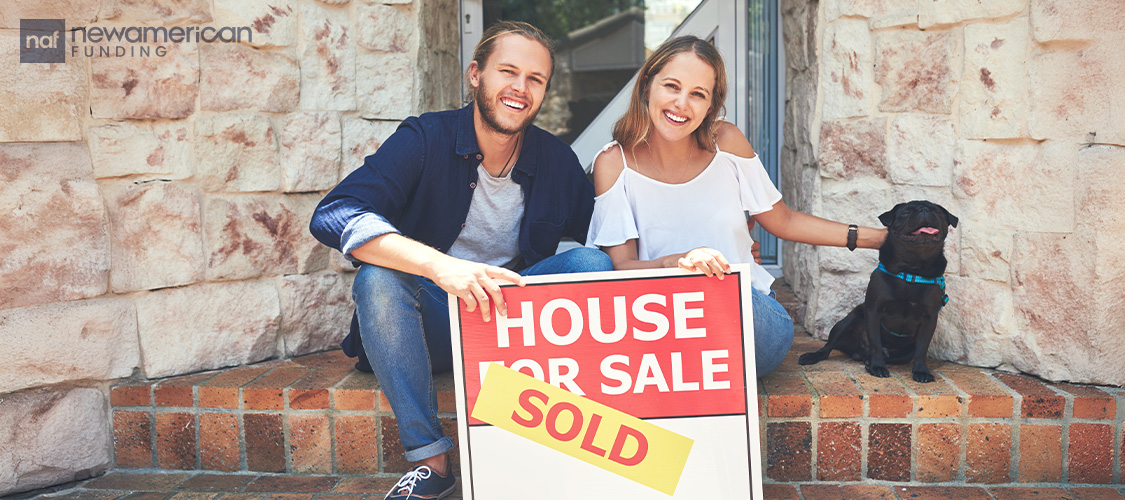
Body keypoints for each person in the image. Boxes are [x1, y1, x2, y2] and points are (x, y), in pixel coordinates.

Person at [309, 21, 612, 500]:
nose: (520, 87)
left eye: (535, 78)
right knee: (378, 280)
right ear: (476, 74)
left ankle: (557, 444)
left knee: (592, 265)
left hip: (508, 327)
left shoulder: (555, 160)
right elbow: (335, 212)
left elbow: (607, 238)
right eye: (507, 71)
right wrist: (441, 267)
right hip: (430, 325)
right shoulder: (425, 138)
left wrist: (706, 245)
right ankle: (431, 467)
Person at [587, 35, 887, 378]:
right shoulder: (614, 162)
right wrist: (676, 263)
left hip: (748, 313)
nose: (682, 103)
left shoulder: (726, 142)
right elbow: (620, 267)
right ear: (647, 87)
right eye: (671, 86)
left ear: (711, 105)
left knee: (731, 310)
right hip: (662, 320)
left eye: (698, 94)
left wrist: (880, 239)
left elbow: (783, 220)